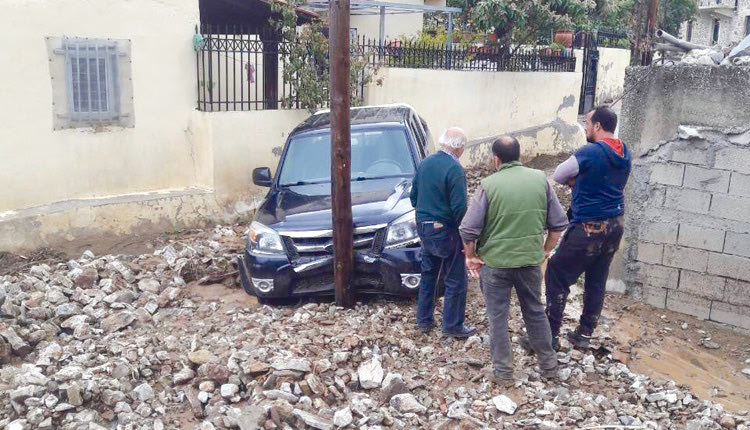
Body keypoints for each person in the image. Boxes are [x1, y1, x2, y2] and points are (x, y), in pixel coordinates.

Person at [460, 136, 567, 385]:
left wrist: (471, 256)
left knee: (498, 318)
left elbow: (468, 230)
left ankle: (504, 373)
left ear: (496, 160)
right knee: (535, 312)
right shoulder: (540, 180)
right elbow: (558, 225)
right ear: (520, 155)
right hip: (530, 262)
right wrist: (544, 251)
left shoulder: (488, 185)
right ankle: (549, 367)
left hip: (495, 265)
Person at [545, 106, 632, 350]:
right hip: (615, 225)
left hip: (589, 227)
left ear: (598, 126)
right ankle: (584, 334)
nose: (585, 126)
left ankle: (548, 336)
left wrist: (577, 181)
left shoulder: (589, 152)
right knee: (596, 279)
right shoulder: (625, 152)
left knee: (556, 272)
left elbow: (559, 174)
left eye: (588, 122)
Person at [410, 127, 475, 338]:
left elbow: (413, 197)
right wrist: (467, 236)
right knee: (455, 278)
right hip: (445, 229)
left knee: (429, 274)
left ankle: (423, 320)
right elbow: (459, 208)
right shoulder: (454, 169)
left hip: (424, 227)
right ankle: (452, 326)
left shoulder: (425, 163)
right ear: (459, 147)